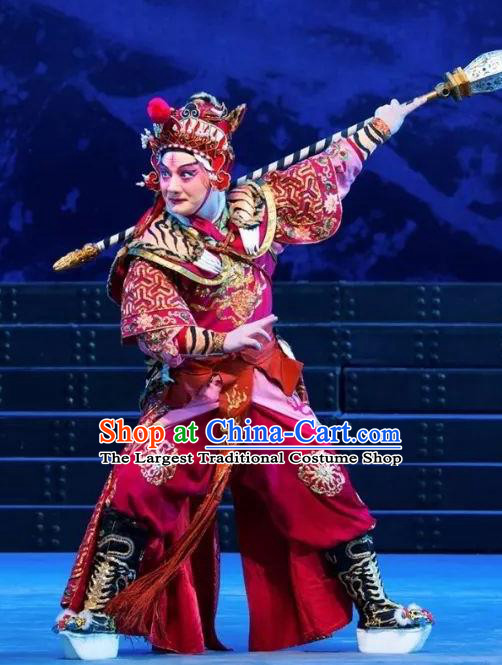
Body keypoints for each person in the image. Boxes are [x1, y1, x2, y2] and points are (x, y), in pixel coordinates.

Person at [54, 92, 433, 660]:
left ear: (216, 173)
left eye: (187, 173)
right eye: (164, 173)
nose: (172, 185)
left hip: (264, 384)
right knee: (141, 480)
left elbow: (325, 169)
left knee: (323, 480)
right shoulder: (153, 249)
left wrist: (380, 126)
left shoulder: (259, 210)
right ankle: (100, 611)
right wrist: (223, 341)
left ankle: (376, 609)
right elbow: (157, 329)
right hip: (192, 390)